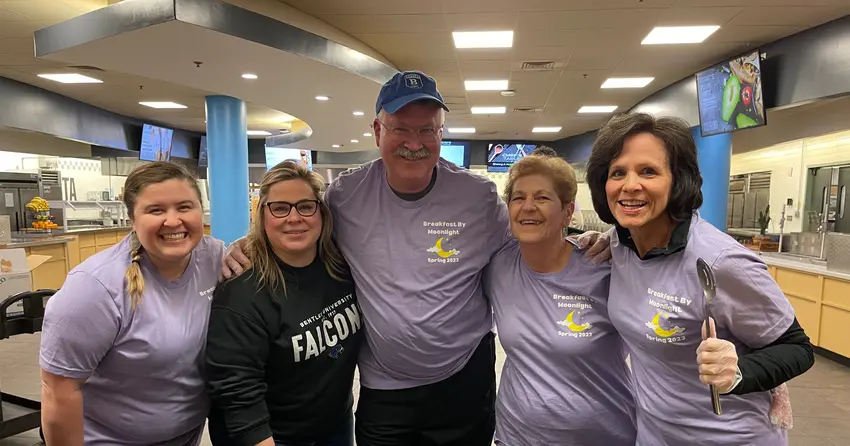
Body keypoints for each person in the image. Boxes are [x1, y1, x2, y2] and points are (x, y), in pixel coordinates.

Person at [221, 70, 611, 445]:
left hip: (464, 378)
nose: (415, 141)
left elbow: (529, 241)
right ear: (377, 131)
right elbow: (298, 223)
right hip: (385, 387)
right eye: (401, 129)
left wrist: (584, 239)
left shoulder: (476, 197)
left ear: (441, 133)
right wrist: (250, 244)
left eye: (427, 129)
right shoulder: (345, 196)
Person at [585, 113, 814, 445]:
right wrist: (604, 239)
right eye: (617, 172)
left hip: (728, 437)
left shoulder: (720, 260)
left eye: (648, 171)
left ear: (678, 181)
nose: (630, 185)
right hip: (654, 434)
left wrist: (738, 372)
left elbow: (797, 348)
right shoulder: (621, 246)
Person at [39, 162, 224, 446]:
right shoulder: (94, 288)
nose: (173, 221)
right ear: (131, 219)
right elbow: (59, 391)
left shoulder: (215, 258)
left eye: (185, 207)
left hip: (187, 436)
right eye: (156, 210)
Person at [205, 161, 360, 446]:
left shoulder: (341, 267)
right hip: (273, 436)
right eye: (279, 208)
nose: (293, 217)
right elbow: (237, 390)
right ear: (263, 215)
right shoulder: (242, 290)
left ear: (321, 213)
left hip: (334, 425)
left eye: (305, 206)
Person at [485, 154, 636, 445]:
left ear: (568, 213)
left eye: (542, 197)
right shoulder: (498, 265)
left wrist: (617, 241)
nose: (528, 206)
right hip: (516, 436)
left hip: (603, 436)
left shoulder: (604, 268)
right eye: (518, 198)